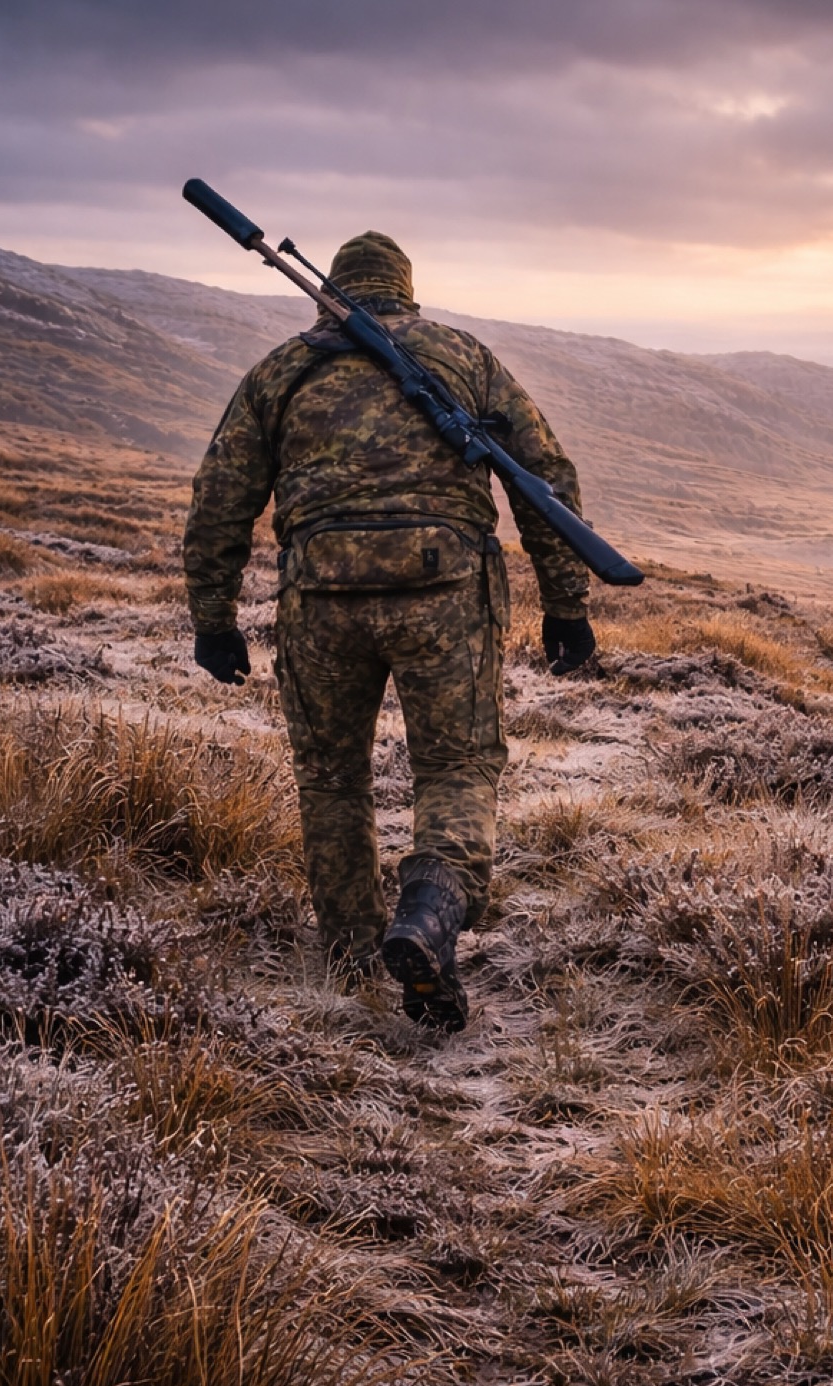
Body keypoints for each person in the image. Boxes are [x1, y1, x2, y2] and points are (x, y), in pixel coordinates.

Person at [182, 230, 596, 1030]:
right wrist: (566, 604)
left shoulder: (283, 369)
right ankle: (432, 910)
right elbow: (546, 480)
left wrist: (214, 618)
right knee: (457, 764)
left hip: (320, 599)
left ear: (328, 290)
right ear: (407, 290)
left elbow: (220, 498)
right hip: (445, 594)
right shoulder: (462, 357)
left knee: (332, 779)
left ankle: (350, 958)